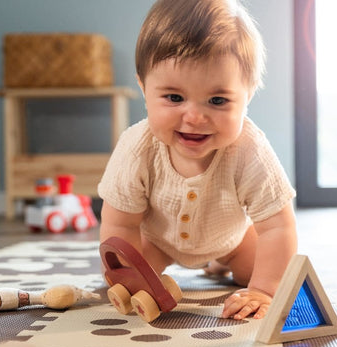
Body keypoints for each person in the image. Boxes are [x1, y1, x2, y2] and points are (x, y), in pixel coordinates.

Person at [98, 0, 297, 320]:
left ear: (247, 95)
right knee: (131, 274)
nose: (194, 117)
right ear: (143, 87)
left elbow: (278, 226)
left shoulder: (248, 149)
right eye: (174, 98)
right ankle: (171, 270)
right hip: (158, 242)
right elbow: (121, 223)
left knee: (261, 272)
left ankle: (220, 263)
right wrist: (128, 276)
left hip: (232, 240)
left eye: (217, 100)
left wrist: (265, 290)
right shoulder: (137, 147)